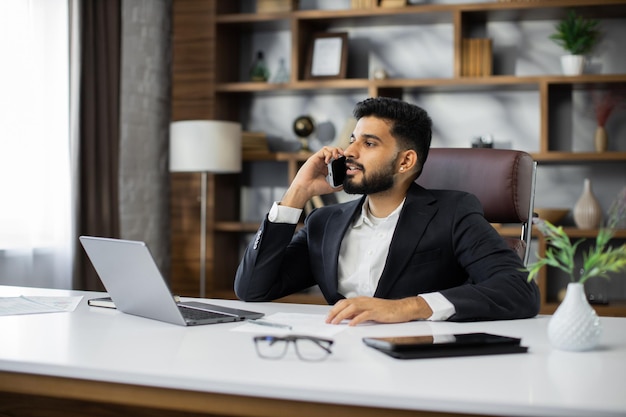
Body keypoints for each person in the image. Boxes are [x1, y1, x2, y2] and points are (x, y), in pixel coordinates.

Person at [235, 97, 540, 325]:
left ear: (405, 162)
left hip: (419, 362)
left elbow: (519, 291)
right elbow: (252, 289)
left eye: (369, 143)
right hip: (336, 358)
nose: (349, 152)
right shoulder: (323, 222)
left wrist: (407, 307)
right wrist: (297, 193)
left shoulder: (453, 213)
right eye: (352, 140)